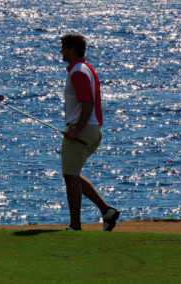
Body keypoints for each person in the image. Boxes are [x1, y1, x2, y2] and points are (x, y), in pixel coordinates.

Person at [60, 34, 120, 231]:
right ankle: (106, 211)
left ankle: (75, 225)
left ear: (72, 50)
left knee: (70, 175)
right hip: (91, 129)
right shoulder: (85, 69)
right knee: (73, 174)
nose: (61, 51)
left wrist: (76, 130)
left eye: (64, 48)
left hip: (82, 130)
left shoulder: (78, 72)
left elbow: (88, 103)